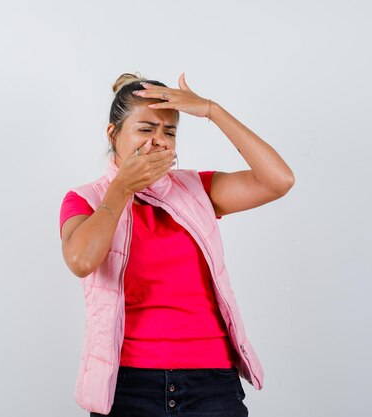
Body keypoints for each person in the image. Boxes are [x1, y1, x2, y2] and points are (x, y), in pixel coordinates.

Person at [59, 72, 295, 416]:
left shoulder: (197, 189)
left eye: (169, 131)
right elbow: (81, 260)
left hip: (211, 385)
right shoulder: (86, 199)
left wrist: (211, 110)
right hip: (127, 387)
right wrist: (122, 188)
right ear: (113, 134)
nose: (159, 141)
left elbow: (279, 180)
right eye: (145, 129)